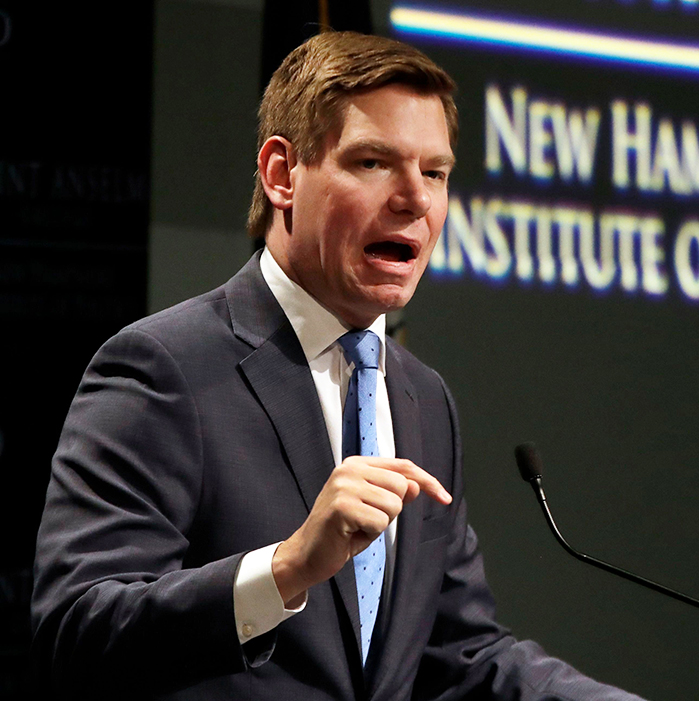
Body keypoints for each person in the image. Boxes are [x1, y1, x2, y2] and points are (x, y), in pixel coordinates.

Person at [31, 30, 645, 700]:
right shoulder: (166, 368)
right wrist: (288, 566)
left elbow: (457, 651)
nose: (414, 199)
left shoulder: (421, 397)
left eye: (435, 172)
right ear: (281, 174)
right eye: (374, 162)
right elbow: (77, 633)